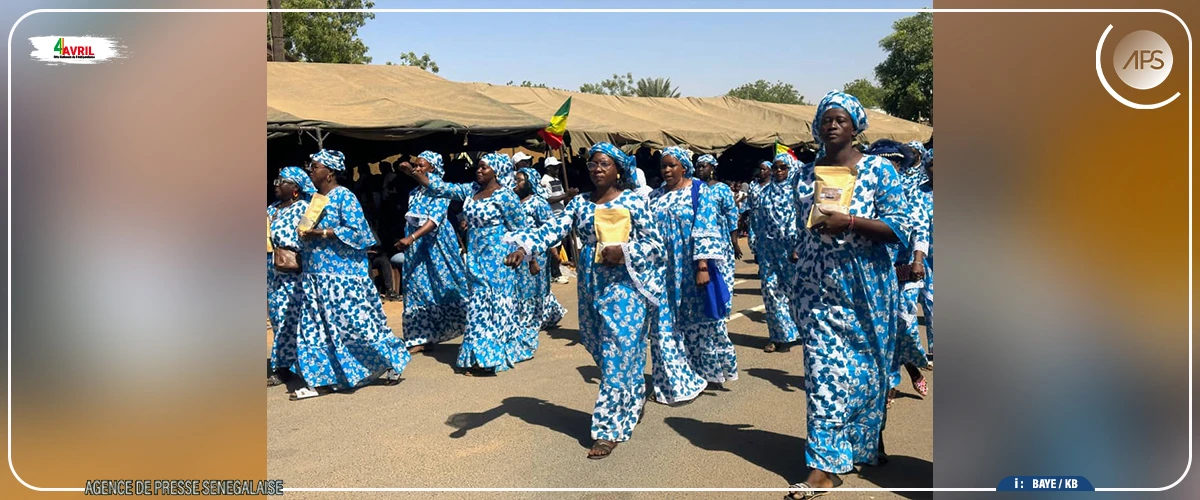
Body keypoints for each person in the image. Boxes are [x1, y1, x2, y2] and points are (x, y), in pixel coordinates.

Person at [784, 92, 911, 497]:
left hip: (867, 287)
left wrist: (851, 222)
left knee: (868, 371)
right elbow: (800, 227)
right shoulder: (804, 175)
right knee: (823, 371)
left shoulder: (879, 171)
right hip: (816, 289)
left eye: (841, 119)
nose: (832, 125)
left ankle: (864, 440)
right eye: (826, 119)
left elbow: (900, 228)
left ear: (856, 127)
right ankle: (823, 467)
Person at [503, 142, 664, 459]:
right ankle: (632, 398)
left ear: (618, 169)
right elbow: (553, 228)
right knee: (600, 348)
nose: (597, 169)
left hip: (625, 288)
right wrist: (524, 248)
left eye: (604, 163)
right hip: (591, 286)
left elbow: (656, 245)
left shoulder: (633, 201)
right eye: (592, 164)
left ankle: (607, 430)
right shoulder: (579, 203)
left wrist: (625, 251)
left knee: (617, 355)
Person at [294, 150, 409, 400]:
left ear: (330, 172)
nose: (310, 170)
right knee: (317, 327)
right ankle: (320, 378)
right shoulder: (316, 200)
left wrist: (322, 233)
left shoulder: (344, 196)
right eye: (310, 166)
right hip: (316, 276)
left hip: (342, 277)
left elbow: (359, 233)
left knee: (357, 324)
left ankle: (393, 358)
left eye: (315, 166)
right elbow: (305, 229)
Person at [400, 152, 528, 376]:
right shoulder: (471, 191)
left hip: (498, 259)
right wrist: (413, 174)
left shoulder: (506, 197)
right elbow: (441, 187)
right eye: (478, 167)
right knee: (479, 306)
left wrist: (522, 252)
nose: (479, 170)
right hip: (476, 257)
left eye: (484, 167)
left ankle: (487, 359)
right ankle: (481, 355)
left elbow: (521, 229)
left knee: (492, 306)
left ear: (497, 171)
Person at [649, 146, 735, 403]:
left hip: (692, 267)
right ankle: (676, 382)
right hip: (663, 272)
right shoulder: (654, 196)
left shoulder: (699, 192)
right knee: (664, 326)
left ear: (683, 167)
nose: (666, 170)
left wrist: (703, 267)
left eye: (672, 165)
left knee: (700, 323)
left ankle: (706, 371)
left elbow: (705, 228)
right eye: (663, 166)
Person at [865, 140, 931, 409]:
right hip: (875, 271)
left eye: (896, 163)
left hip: (906, 269)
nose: (892, 167)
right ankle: (891, 381)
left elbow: (921, 229)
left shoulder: (911, 191)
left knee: (904, 322)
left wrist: (917, 261)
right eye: (886, 162)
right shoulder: (864, 191)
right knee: (880, 328)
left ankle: (912, 365)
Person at [394, 151, 469, 354]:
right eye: (416, 165)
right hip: (416, 248)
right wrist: (410, 239)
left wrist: (411, 238)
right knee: (416, 286)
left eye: (421, 165)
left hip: (437, 246)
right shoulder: (414, 192)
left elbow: (434, 220)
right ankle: (420, 336)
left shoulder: (440, 189)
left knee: (447, 285)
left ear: (432, 168)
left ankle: (475, 325)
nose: (417, 168)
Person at [510, 166, 568, 361]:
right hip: (517, 251)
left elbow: (549, 228)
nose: (516, 184)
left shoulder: (538, 203)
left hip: (536, 251)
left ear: (529, 183)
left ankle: (534, 317)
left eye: (520, 180)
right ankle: (534, 315)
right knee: (521, 287)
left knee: (535, 287)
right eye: (515, 180)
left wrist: (553, 251)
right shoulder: (512, 202)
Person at [267, 166, 316, 387]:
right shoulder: (271, 209)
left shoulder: (304, 209)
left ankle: (291, 366)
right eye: (276, 181)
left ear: (295, 187)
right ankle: (285, 363)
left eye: (282, 182)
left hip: (294, 273)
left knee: (293, 318)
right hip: (273, 274)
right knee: (278, 318)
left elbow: (309, 240)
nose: (276, 185)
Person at [748, 154, 802, 354]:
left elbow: (804, 222)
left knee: (795, 291)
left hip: (791, 250)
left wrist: (798, 248)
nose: (779, 171)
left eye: (783, 167)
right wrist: (755, 244)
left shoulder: (797, 193)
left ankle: (801, 330)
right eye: (776, 168)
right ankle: (779, 336)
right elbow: (756, 219)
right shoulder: (764, 193)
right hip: (768, 249)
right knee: (771, 291)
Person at [540, 156, 579, 284]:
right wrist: (566, 195)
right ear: (548, 168)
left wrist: (569, 195)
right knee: (553, 248)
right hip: (552, 217)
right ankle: (554, 273)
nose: (557, 169)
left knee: (559, 244)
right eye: (555, 167)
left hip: (560, 216)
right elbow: (547, 199)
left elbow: (561, 197)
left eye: (558, 167)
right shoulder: (545, 181)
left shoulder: (557, 180)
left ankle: (556, 271)